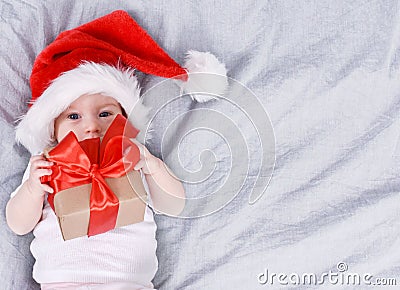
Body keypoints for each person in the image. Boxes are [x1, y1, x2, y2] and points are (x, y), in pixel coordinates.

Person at [5, 10, 227, 290]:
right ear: (52, 128)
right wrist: (33, 189)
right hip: (60, 282)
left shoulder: (133, 155)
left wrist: (152, 166)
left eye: (105, 113)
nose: (91, 126)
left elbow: (173, 204)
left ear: (125, 118)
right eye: (73, 117)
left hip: (129, 283)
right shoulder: (46, 164)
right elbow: (18, 224)